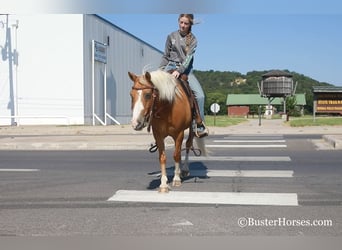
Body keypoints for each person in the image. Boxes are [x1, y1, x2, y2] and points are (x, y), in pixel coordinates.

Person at [160, 14, 208, 138]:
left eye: (186, 23)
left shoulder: (193, 40)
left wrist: (180, 71)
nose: (183, 25)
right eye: (181, 22)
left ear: (190, 25)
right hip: (170, 67)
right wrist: (160, 70)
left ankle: (199, 125)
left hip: (186, 71)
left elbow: (188, 58)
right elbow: (165, 56)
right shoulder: (171, 36)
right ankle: (151, 120)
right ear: (178, 22)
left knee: (200, 96)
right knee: (155, 89)